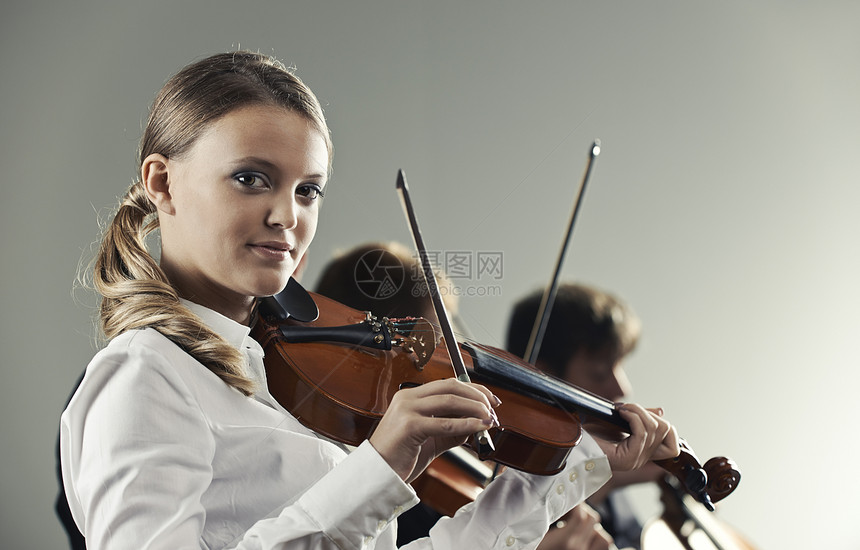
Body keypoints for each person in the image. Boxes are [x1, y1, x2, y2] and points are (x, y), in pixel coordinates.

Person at [58, 51, 679, 549]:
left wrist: (570, 469)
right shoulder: (143, 376)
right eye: (251, 178)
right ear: (162, 183)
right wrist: (380, 465)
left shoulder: (293, 380)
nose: (286, 216)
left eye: (309, 190)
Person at [507, 283, 664, 550]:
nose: (621, 388)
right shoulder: (509, 473)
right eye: (600, 372)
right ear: (543, 377)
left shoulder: (606, 476)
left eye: (619, 366)